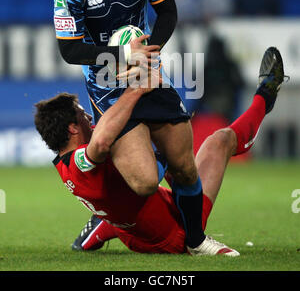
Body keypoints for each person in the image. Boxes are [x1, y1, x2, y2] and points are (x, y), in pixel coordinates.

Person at [53, 0, 207, 254]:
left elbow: (167, 11)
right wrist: (125, 56)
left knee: (184, 166)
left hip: (146, 69)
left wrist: (149, 51)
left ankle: (196, 243)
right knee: (144, 182)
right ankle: (106, 218)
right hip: (106, 85)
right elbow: (70, 51)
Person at [34, 47, 286, 256]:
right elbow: (104, 147)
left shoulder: (64, 166)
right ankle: (265, 96)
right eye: (82, 114)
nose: (89, 116)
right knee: (220, 141)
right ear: (72, 128)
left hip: (129, 225)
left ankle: (99, 227)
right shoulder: (79, 162)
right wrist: (139, 92)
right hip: (174, 234)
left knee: (117, 207)